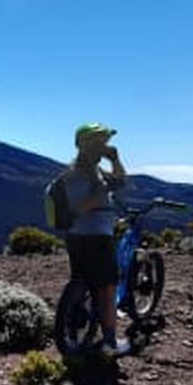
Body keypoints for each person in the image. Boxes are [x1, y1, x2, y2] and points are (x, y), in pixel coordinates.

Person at [64, 123, 131, 356]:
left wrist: (115, 160)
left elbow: (121, 182)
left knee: (84, 285)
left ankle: (75, 337)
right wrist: (101, 190)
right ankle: (110, 344)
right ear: (85, 144)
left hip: (82, 236)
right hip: (93, 237)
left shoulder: (94, 170)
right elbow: (79, 206)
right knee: (107, 290)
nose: (104, 146)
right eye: (100, 142)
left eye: (105, 142)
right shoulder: (77, 172)